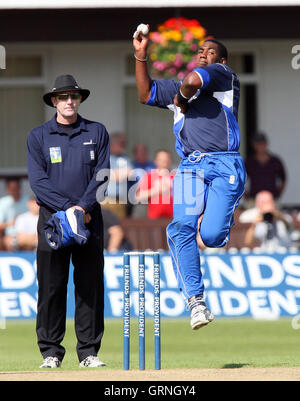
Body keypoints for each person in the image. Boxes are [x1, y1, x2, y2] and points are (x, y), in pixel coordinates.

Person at [133, 27, 246, 330]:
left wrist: (182, 98)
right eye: (200, 52)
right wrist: (141, 57)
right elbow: (145, 94)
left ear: (221, 59)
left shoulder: (224, 76)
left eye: (210, 52)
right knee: (181, 227)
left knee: (210, 237)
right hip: (189, 167)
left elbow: (194, 81)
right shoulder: (178, 87)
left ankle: (222, 217)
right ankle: (196, 302)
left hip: (225, 163)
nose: (203, 55)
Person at [27, 74, 110, 369]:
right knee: (51, 286)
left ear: (79, 100)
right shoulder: (38, 136)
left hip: (88, 220)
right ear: (54, 101)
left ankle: (88, 352)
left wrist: (82, 209)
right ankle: (51, 352)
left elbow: (103, 175)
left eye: (73, 96)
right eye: (63, 97)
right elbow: (38, 182)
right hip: (54, 222)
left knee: (89, 286)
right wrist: (68, 209)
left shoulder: (96, 131)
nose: (69, 101)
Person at [245, 133, 286, 202]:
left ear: (266, 144)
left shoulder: (275, 161)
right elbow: (240, 180)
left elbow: (283, 179)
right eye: (258, 144)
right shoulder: (249, 162)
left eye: (262, 143)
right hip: (254, 199)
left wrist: (278, 195)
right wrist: (246, 196)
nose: (260, 146)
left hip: (272, 199)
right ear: (254, 145)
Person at [136, 149, 174, 219]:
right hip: (154, 218)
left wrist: (172, 189)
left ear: (170, 160)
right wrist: (157, 190)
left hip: (173, 218)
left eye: (166, 159)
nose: (164, 162)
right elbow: (138, 197)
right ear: (156, 161)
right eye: (161, 159)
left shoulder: (176, 176)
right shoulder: (149, 176)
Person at [102, 132, 132, 218]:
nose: (123, 146)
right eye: (120, 143)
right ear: (112, 144)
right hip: (106, 199)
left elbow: (130, 174)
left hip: (121, 200)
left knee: (120, 226)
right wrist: (120, 174)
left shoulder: (125, 158)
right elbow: (104, 175)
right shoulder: (104, 157)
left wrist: (114, 174)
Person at [0, 178, 29, 251]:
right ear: (7, 189)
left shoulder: (28, 200)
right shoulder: (3, 202)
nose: (14, 191)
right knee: (10, 243)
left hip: (27, 233)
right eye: (11, 188)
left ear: (20, 188)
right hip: (10, 235)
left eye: (15, 188)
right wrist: (11, 223)